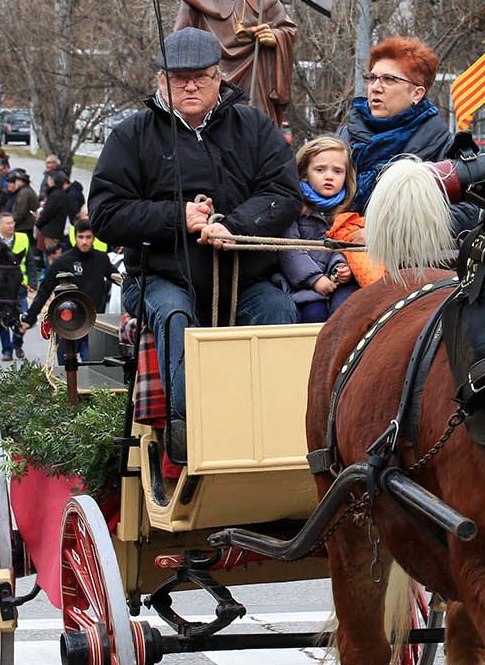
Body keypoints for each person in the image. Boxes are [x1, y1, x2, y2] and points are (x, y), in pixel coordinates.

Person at [89, 28, 300, 461]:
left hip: (245, 277)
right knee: (174, 314)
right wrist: (177, 218)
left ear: (219, 77)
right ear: (160, 80)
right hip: (162, 276)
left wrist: (235, 226)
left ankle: (279, 430)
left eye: (201, 77)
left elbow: (285, 193)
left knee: (279, 312)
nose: (190, 86)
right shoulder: (132, 136)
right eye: (178, 77)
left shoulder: (256, 126)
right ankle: (191, 433)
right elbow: (106, 215)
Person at [175, 0, 298, 127]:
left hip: (255, 74)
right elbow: (179, 39)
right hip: (212, 77)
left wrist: (274, 37)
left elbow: (287, 28)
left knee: (255, 134)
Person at [339, 37, 448, 211]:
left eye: (389, 79)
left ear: (417, 94)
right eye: (371, 78)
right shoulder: (345, 137)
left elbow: (463, 213)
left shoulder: (443, 146)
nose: (375, 87)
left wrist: (386, 231)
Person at [280, 136, 357, 322]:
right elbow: (290, 250)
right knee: (314, 314)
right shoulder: (295, 208)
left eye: (337, 171)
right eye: (320, 170)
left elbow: (344, 246)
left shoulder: (347, 211)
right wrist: (315, 279)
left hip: (335, 283)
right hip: (301, 283)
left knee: (348, 312)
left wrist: (341, 267)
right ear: (305, 173)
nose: (329, 176)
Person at [24, 220, 112, 361]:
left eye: (88, 237)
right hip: (67, 324)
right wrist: (30, 318)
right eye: (81, 237)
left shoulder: (102, 259)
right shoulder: (63, 261)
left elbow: (118, 278)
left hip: (93, 324)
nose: (84, 241)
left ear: (93, 237)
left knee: (92, 369)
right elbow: (45, 290)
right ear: (75, 237)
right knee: (66, 372)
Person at [0, 212, 36, 360]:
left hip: (20, 287)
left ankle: (17, 343)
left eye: (12, 223)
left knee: (22, 317)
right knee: (2, 320)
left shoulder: (23, 238)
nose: (11, 226)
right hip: (1, 289)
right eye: (7, 223)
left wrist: (32, 281)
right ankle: (6, 350)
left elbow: (30, 262)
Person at [0, 167, 38, 236]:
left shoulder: (24, 193)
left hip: (24, 227)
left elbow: (20, 212)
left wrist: (10, 223)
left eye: (16, 181)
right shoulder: (26, 190)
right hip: (25, 226)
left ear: (21, 181)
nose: (15, 182)